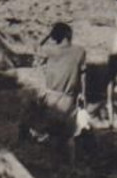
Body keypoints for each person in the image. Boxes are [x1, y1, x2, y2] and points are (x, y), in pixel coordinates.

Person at [23, 22, 88, 155]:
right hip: (69, 99)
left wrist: (48, 36)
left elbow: (35, 47)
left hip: (51, 98)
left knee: (42, 128)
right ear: (69, 35)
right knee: (68, 138)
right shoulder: (80, 52)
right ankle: (71, 167)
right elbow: (83, 77)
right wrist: (83, 95)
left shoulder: (50, 51)